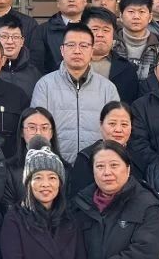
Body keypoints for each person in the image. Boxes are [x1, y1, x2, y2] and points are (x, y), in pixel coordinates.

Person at [31, 23, 121, 160]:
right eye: (71, 45)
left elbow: (115, 131)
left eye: (84, 46)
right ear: (62, 50)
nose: (77, 51)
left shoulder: (107, 89)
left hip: (96, 164)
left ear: (92, 51)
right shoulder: (45, 85)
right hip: (55, 165)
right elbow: (36, 130)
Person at [68, 101, 138, 197]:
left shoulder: (138, 156)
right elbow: (78, 199)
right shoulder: (86, 157)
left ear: (131, 126)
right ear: (101, 125)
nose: (118, 129)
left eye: (124, 124)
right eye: (112, 123)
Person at [83, 6, 143, 100]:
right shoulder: (65, 66)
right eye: (95, 29)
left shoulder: (126, 70)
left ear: (113, 34)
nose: (100, 34)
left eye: (106, 30)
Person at [30, 0, 87, 72]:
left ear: (85, 1)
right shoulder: (42, 31)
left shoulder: (94, 28)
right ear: (58, 3)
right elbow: (36, 66)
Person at [7, 107, 63, 203]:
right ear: (22, 132)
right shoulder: (8, 169)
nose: (38, 133)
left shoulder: (65, 168)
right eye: (32, 128)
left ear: (51, 133)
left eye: (44, 128)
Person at [114, 0, 159, 80]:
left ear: (150, 17)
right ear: (121, 16)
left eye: (142, 12)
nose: (136, 17)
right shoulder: (110, 46)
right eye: (131, 12)